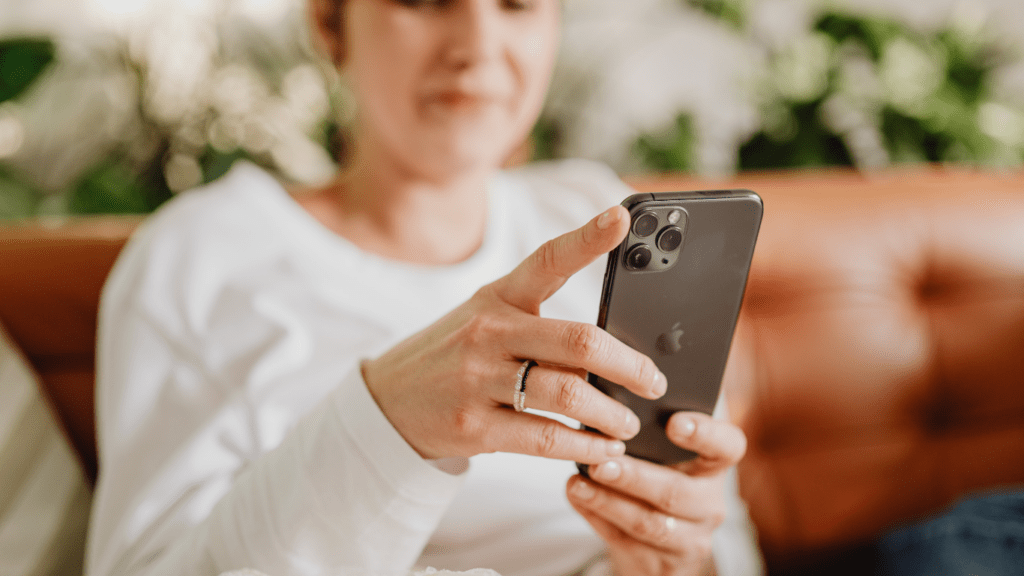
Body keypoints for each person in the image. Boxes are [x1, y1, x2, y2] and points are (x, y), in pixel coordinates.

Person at [86, 1, 762, 575]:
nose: (478, 44)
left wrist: (681, 554)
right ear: (329, 23)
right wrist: (390, 422)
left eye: (518, 2)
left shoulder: (594, 216)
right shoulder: (200, 256)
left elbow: (718, 540)